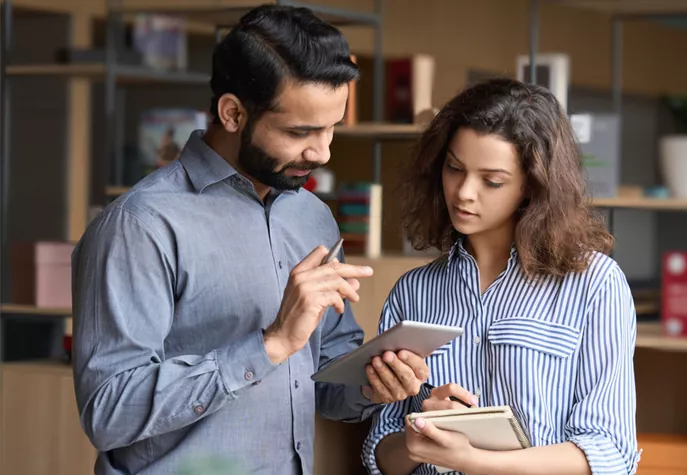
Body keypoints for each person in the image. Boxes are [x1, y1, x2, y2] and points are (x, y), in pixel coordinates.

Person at [71, 5, 429, 475]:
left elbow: (323, 382)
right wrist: (270, 344)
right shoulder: (140, 226)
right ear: (233, 112)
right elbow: (108, 412)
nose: (321, 151)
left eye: (331, 128)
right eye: (300, 131)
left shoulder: (313, 218)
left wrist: (372, 382)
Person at [361, 78, 641, 475]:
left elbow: (609, 452)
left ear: (532, 187)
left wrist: (475, 462)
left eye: (491, 181)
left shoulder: (595, 285)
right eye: (454, 168)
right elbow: (383, 455)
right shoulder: (414, 292)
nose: (464, 193)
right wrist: (418, 437)